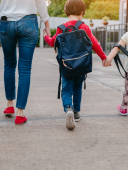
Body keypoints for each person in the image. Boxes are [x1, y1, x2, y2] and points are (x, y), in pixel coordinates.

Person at [43, 0, 108, 130]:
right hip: (81, 65)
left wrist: (46, 36)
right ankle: (77, 112)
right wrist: (104, 57)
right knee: (77, 87)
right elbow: (95, 44)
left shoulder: (61, 28)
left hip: (66, 66)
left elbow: (53, 42)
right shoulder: (84, 27)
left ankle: (68, 108)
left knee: (66, 88)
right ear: (81, 12)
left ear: (66, 12)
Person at [0, 0, 51, 125]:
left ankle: (9, 105)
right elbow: (40, 2)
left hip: (6, 22)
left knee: (9, 64)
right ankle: (20, 113)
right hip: (28, 22)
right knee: (25, 68)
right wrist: (46, 22)